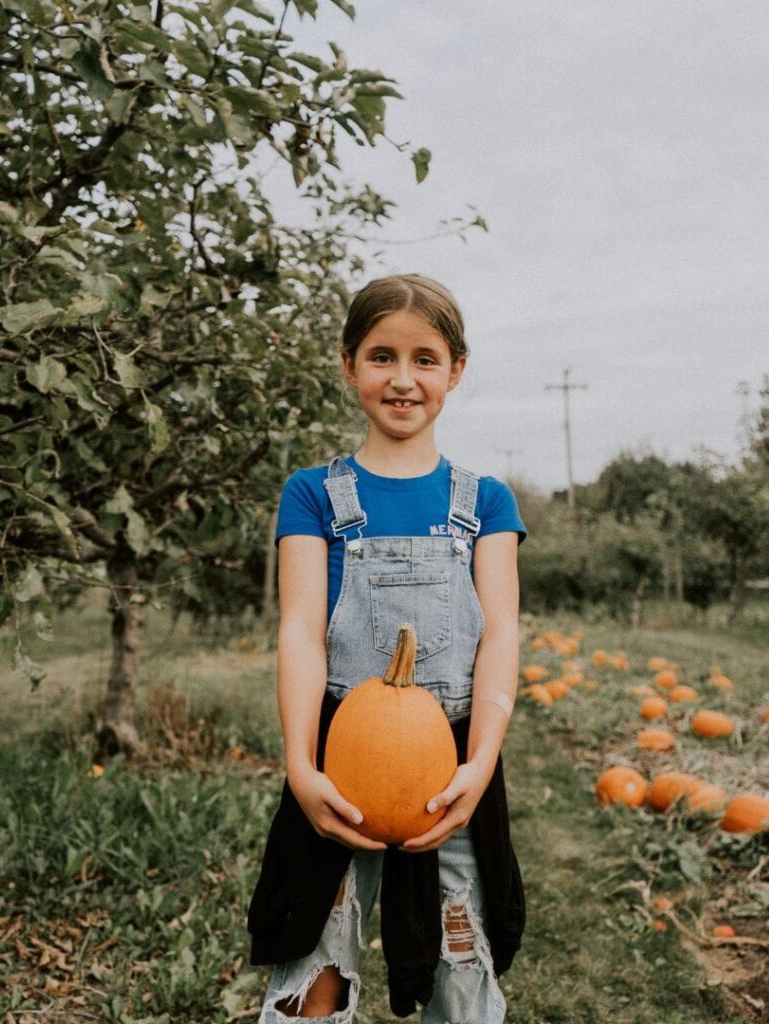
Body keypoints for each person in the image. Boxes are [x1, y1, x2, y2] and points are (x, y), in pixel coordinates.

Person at [248, 273, 526, 1023]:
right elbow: (301, 632)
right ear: (349, 364)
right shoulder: (313, 495)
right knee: (315, 962)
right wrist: (301, 767)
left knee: (460, 965)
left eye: (425, 359)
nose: (403, 379)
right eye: (381, 356)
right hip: (341, 758)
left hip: (452, 766)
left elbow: (501, 632)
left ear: (455, 370)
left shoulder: (484, 502)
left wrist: (481, 763)